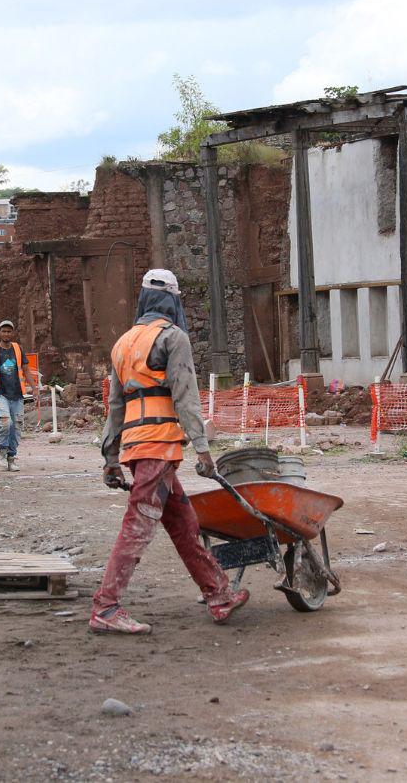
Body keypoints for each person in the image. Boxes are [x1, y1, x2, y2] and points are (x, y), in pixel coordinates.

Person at [93, 269, 248, 635]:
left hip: (135, 445)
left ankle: (218, 593)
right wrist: (202, 448)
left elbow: (115, 407)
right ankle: (106, 606)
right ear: (173, 302)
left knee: (182, 523)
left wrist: (111, 458)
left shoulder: (124, 343)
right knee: (138, 523)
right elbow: (185, 395)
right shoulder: (172, 337)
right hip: (159, 445)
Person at [0, 320, 36, 472]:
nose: (6, 334)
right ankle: (2, 451)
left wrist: (34, 388)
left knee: (17, 426)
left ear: (12, 333)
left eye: (9, 331)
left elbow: (26, 370)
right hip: (0, 394)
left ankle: (11, 457)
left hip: (17, 395)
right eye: (3, 331)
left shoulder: (18, 349)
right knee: (5, 423)